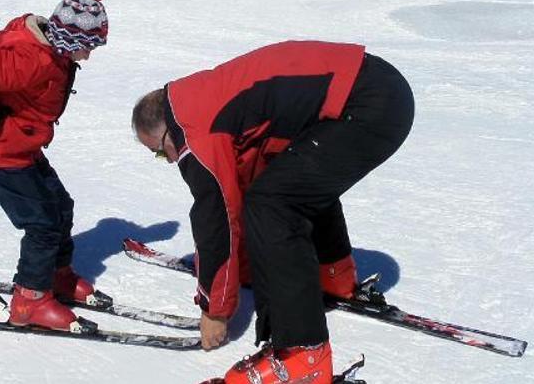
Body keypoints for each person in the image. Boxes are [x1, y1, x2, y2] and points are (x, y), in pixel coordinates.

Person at [132, 41, 414, 383]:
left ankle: (302, 353)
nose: (172, 162)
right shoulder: (199, 98)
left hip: (369, 103)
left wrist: (215, 309)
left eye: (162, 154)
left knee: (273, 203)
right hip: (377, 90)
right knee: (288, 183)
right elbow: (249, 179)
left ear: (164, 132)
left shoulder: (194, 130)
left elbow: (218, 218)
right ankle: (334, 275)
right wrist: (256, 268)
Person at [0, 0, 109, 331]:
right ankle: (29, 300)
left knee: (61, 205)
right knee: (42, 224)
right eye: (86, 47)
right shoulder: (32, 62)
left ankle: (56, 275)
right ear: (69, 40)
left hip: (22, 146)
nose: (88, 55)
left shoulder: (53, 54)